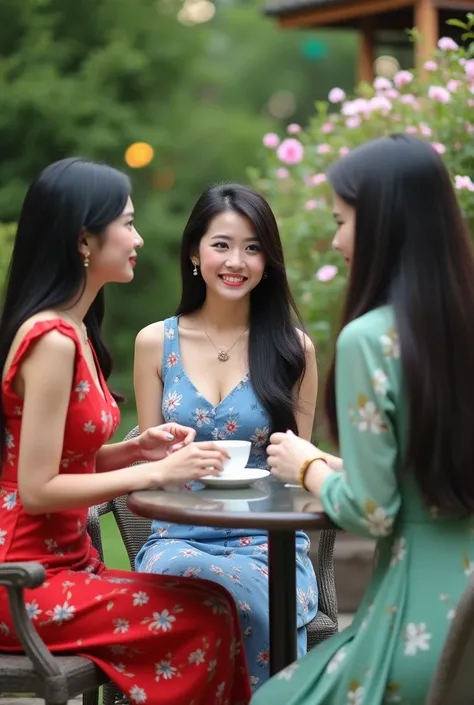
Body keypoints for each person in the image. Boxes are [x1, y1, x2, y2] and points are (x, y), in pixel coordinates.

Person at [0, 158, 252, 705]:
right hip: (20, 580)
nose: (138, 238)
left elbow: (61, 459)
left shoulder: (76, 331)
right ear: (84, 239)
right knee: (205, 617)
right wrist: (155, 471)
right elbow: (38, 488)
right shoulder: (51, 341)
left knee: (217, 605)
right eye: (128, 223)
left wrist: (131, 450)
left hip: (64, 565)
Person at [250, 133, 474, 705]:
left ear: (382, 225)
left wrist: (306, 467)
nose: (335, 239)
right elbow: (428, 475)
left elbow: (374, 512)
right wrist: (334, 463)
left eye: (342, 219)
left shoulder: (371, 340)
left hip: (417, 624)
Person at [133, 183, 319, 690]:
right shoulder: (155, 342)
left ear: (267, 260)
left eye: (253, 247)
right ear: (195, 252)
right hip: (178, 535)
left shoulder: (293, 349)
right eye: (222, 245)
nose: (236, 261)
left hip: (267, 544)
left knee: (245, 601)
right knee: (196, 589)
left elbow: (300, 474)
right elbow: (152, 466)